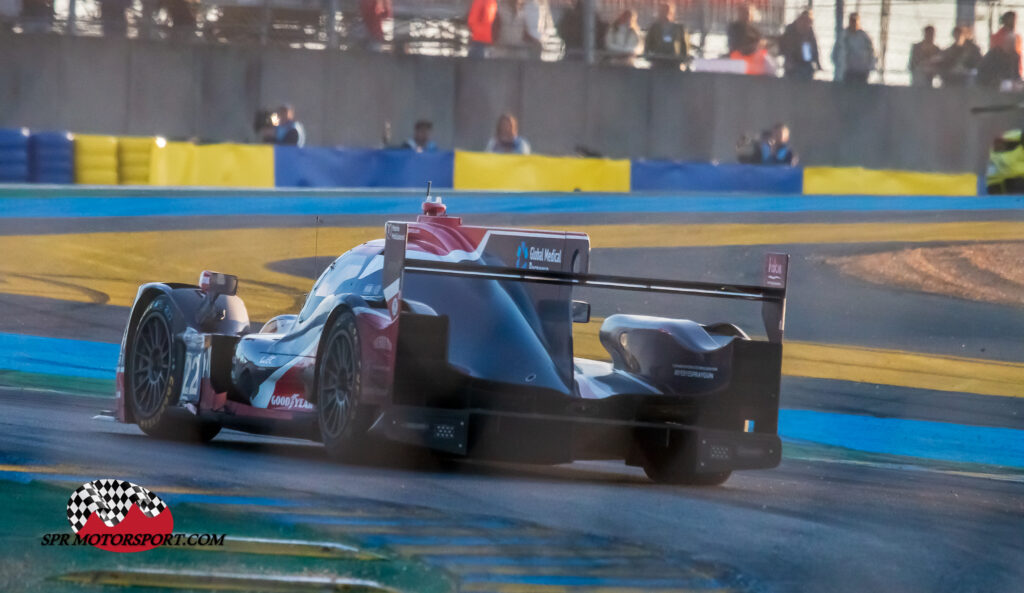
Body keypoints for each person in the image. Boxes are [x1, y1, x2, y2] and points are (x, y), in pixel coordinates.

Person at [644, 3, 690, 70]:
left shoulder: (678, 28)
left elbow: (684, 44)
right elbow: (648, 43)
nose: (664, 14)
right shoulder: (654, 28)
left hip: (674, 60)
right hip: (658, 59)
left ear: (671, 13)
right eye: (662, 11)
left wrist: (684, 58)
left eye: (666, 11)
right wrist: (648, 55)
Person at [832, 13, 875, 84]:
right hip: (847, 71)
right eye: (852, 21)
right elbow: (835, 53)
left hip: (862, 72)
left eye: (855, 21)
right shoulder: (843, 36)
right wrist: (839, 67)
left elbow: (872, 53)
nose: (854, 23)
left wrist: (870, 67)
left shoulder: (864, 37)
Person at [779, 10, 820, 80]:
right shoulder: (790, 31)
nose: (806, 24)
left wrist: (818, 63)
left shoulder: (809, 33)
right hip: (792, 66)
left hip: (805, 66)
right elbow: (785, 48)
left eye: (808, 22)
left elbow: (811, 52)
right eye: (804, 21)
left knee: (807, 70)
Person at [990, 12, 1023, 78]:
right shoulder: (997, 36)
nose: (1014, 23)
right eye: (1012, 20)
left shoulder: (1017, 37)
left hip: (1015, 71)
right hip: (1002, 71)